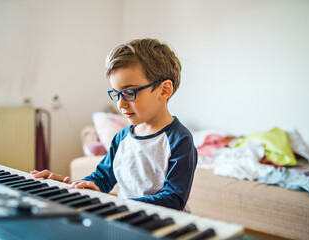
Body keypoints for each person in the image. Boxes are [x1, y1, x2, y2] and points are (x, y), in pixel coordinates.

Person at [31, 38, 197, 210]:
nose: (120, 104)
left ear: (164, 90)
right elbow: (101, 179)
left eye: (129, 92)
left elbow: (173, 199)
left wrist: (118, 204)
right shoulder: (122, 138)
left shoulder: (179, 140)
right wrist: (69, 186)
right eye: (116, 94)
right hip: (126, 217)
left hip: (165, 225)